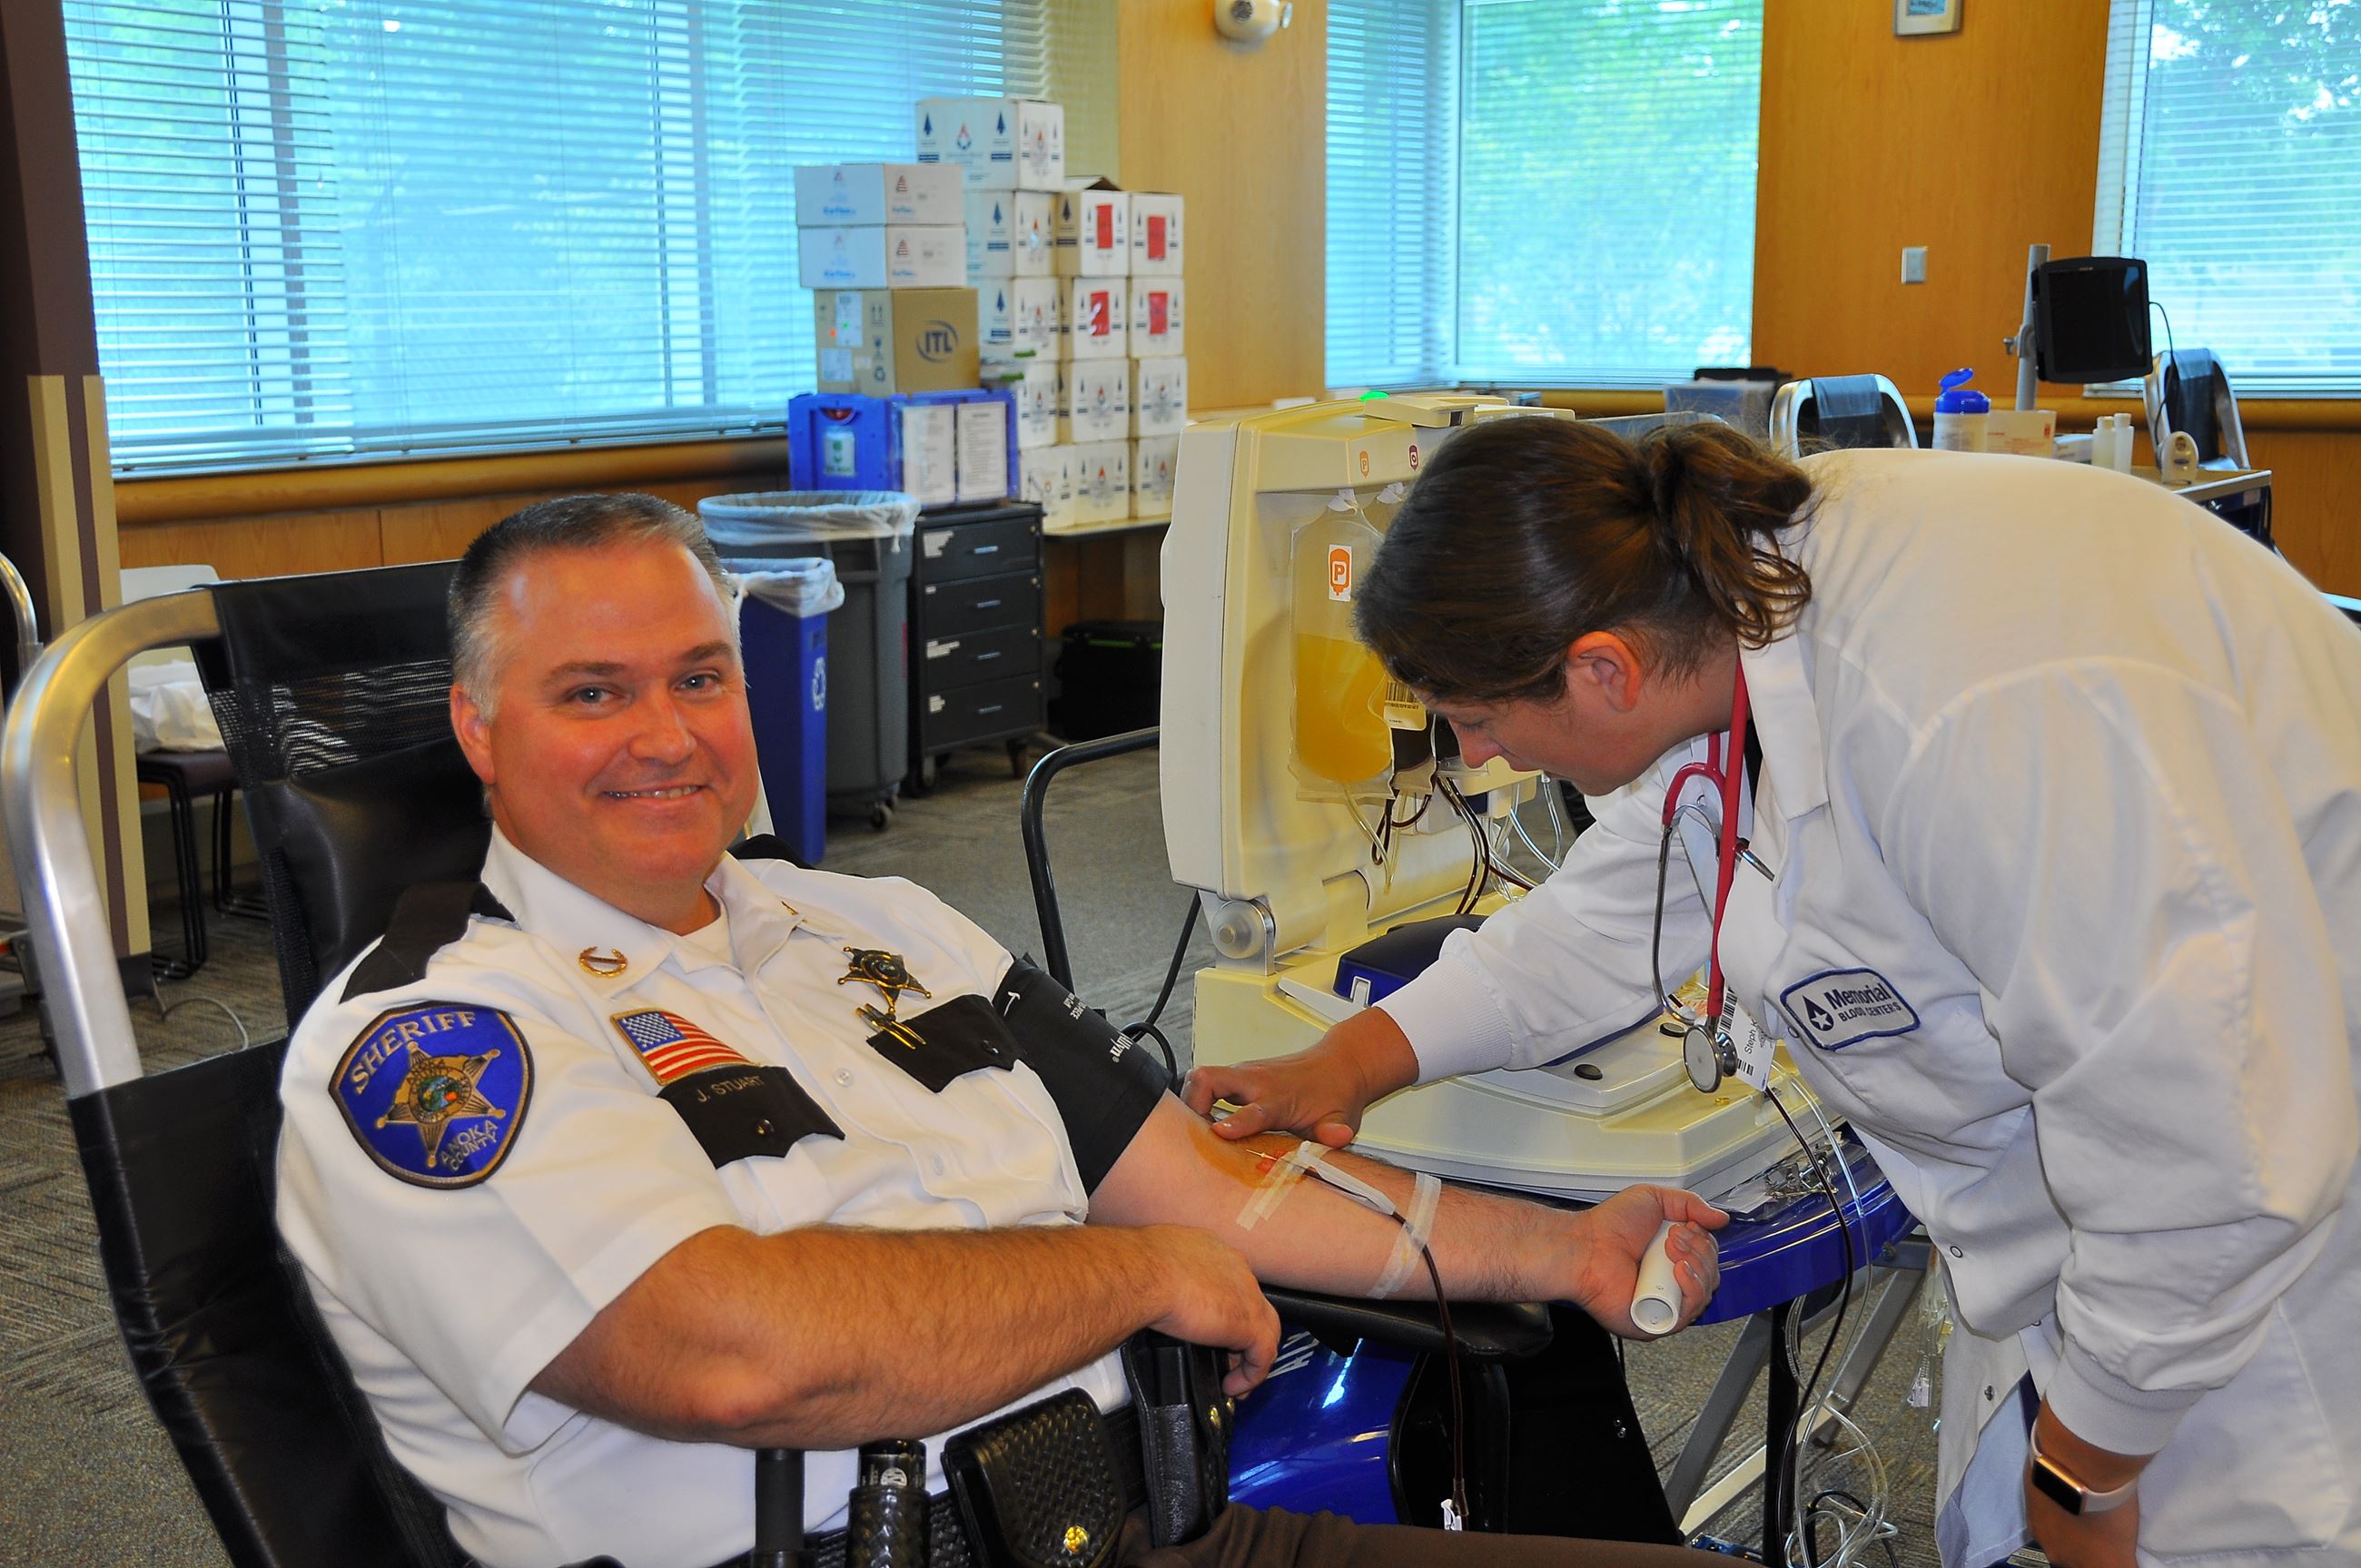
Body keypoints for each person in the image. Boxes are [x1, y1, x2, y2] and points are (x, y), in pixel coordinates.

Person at [273, 493, 1733, 1568]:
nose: (667, 734)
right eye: (593, 694)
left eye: (699, 678)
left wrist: (1562, 1249)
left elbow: (1205, 1180)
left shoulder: (882, 926)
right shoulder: (437, 1040)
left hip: (1137, 1528)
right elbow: (732, 1356)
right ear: (478, 729)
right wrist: (1133, 1274)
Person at [1181, 418, 2361, 1568]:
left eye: (1479, 721)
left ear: (1602, 669)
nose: (1480, 758)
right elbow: (1618, 904)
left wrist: (2087, 1467)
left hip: (2268, 1283)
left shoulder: (1964, 697)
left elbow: (2212, 1164)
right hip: (2112, 1229)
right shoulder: (1730, 603)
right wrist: (1351, 1059)